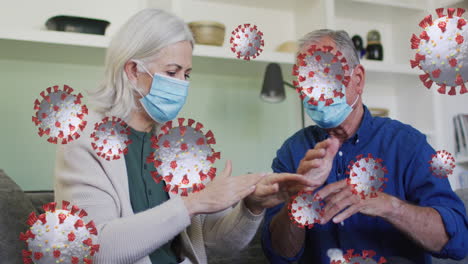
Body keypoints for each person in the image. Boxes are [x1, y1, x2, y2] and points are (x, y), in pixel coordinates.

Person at [54, 9, 314, 264]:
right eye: (171, 72)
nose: (181, 83)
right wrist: (193, 203)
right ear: (133, 71)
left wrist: (251, 206)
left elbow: (219, 243)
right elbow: (93, 249)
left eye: (186, 74)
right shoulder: (84, 140)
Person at [261, 29, 468, 263]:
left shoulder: (407, 144)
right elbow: (279, 255)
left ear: (357, 80)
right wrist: (297, 198)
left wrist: (391, 207)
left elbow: (458, 241)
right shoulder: (293, 152)